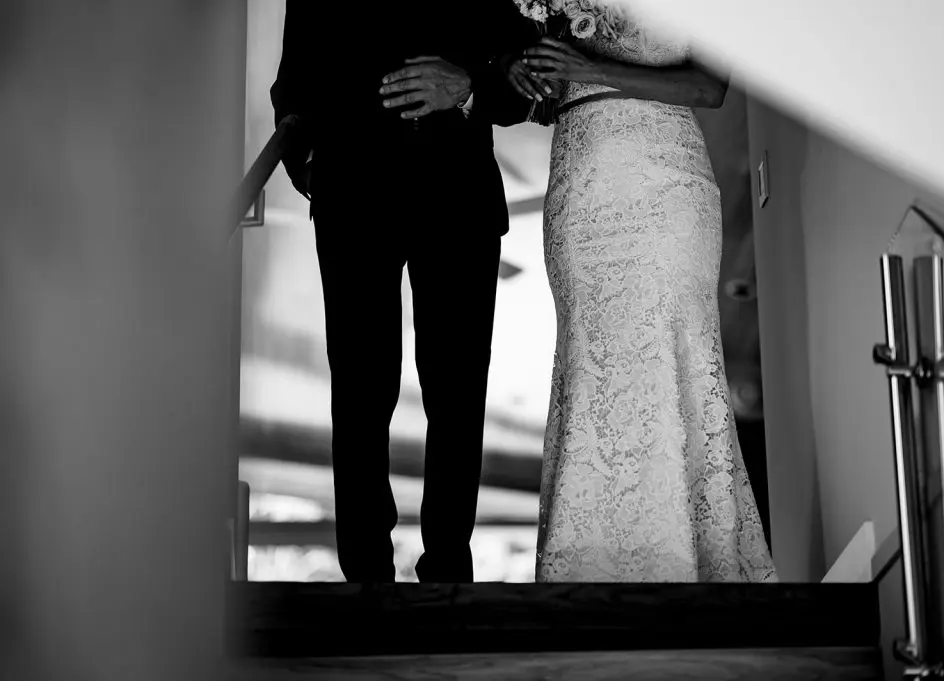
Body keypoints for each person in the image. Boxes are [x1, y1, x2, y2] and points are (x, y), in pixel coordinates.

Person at [270, 1, 536, 583]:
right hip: (353, 199)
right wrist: (311, 167)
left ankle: (448, 571)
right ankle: (365, 576)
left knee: (458, 390)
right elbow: (292, 85)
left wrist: (467, 90)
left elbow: (525, 84)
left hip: (459, 200)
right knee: (361, 392)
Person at [510, 7, 778, 582]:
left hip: (664, 178)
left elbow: (710, 86)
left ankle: (692, 557)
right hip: (580, 179)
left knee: (674, 357)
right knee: (588, 363)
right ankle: (585, 565)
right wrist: (535, 80)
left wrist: (589, 66)